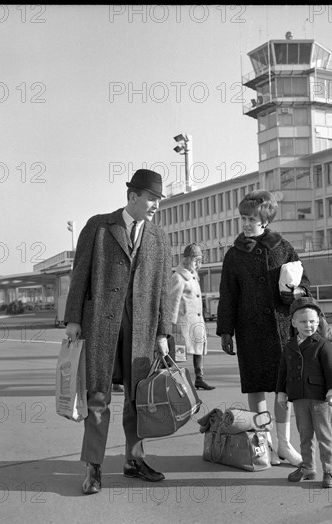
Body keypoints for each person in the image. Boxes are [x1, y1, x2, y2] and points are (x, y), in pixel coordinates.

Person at [64, 168, 172, 495]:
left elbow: (163, 289)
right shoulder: (99, 226)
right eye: (151, 198)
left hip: (142, 329)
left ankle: (133, 460)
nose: (155, 205)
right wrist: (73, 319)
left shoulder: (159, 237)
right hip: (101, 326)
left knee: (138, 398)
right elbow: (80, 273)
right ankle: (93, 467)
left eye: (158, 200)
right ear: (133, 196)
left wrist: (163, 332)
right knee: (98, 396)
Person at [217, 189, 310, 466]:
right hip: (249, 331)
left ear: (266, 219)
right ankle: (265, 441)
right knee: (256, 387)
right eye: (243, 218)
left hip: (282, 330)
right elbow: (228, 295)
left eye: (252, 218)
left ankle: (284, 444)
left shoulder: (283, 247)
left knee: (284, 390)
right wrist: (225, 330)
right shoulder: (234, 255)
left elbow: (305, 281)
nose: (246, 223)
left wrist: (295, 293)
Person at [276, 297, 332, 488]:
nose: (308, 325)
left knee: (324, 436)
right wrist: (281, 392)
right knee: (304, 435)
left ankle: (329, 470)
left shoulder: (323, 344)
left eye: (313, 321)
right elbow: (283, 371)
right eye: (303, 321)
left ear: (319, 321)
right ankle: (308, 467)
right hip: (299, 398)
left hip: (320, 399)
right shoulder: (289, 346)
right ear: (294, 323)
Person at [169, 243, 215, 391]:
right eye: (196, 260)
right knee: (178, 353)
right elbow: (173, 300)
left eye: (200, 260)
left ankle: (199, 378)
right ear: (187, 259)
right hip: (184, 322)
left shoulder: (194, 276)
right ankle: (174, 381)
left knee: (199, 350)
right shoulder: (179, 277)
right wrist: (171, 322)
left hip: (196, 322)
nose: (198, 263)